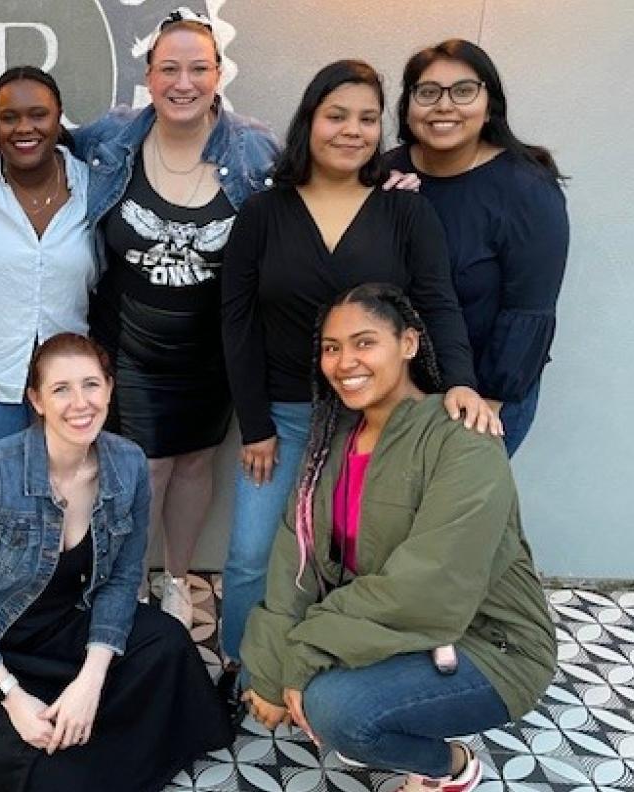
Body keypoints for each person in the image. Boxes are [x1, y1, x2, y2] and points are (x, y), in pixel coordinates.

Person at [218, 59, 499, 695]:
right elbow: (235, 325)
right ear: (309, 122)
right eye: (337, 115)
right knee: (249, 556)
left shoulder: (405, 213)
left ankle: (335, 673)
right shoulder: (264, 213)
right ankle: (248, 673)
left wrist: (460, 380)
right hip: (285, 417)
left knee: (362, 558)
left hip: (380, 422)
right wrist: (256, 424)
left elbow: (438, 302)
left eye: (368, 119)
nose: (353, 131)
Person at [240, 283, 556, 792]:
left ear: (408, 344)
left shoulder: (462, 438)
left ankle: (448, 767)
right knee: (264, 674)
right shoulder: (332, 442)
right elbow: (292, 559)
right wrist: (273, 668)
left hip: (488, 642)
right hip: (395, 627)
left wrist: (302, 654)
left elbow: (430, 586)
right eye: (331, 348)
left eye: (365, 343)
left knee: (335, 709)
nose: (345, 362)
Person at [0, 332, 232, 792]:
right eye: (61, 389)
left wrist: (90, 683)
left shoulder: (128, 464)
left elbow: (120, 579)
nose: (81, 403)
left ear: (110, 389)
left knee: (169, 642)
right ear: (36, 400)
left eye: (91, 385)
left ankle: (72, 705)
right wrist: (11, 696)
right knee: (49, 775)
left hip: (60, 620)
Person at [72, 7, 279, 629]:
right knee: (147, 466)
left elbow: (317, 185)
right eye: (169, 68)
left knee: (194, 463)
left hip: (213, 349)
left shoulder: (254, 146)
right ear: (149, 75)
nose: (183, 82)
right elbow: (32, 145)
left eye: (198, 68)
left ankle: (178, 579)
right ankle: (131, 581)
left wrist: (388, 179)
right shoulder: (110, 138)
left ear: (218, 73)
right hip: (128, 345)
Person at [386, 39, 569, 455]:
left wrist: (482, 411)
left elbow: (529, 311)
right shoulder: (385, 173)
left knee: (447, 518)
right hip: (389, 396)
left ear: (490, 104)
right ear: (408, 105)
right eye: (427, 92)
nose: (444, 106)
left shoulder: (526, 189)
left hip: (482, 397)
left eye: (464, 90)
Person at [0, 66, 97, 450]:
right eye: (8, 117)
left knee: (68, 495)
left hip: (73, 386)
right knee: (3, 500)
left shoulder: (94, 186)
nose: (24, 128)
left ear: (59, 116)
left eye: (38, 115)